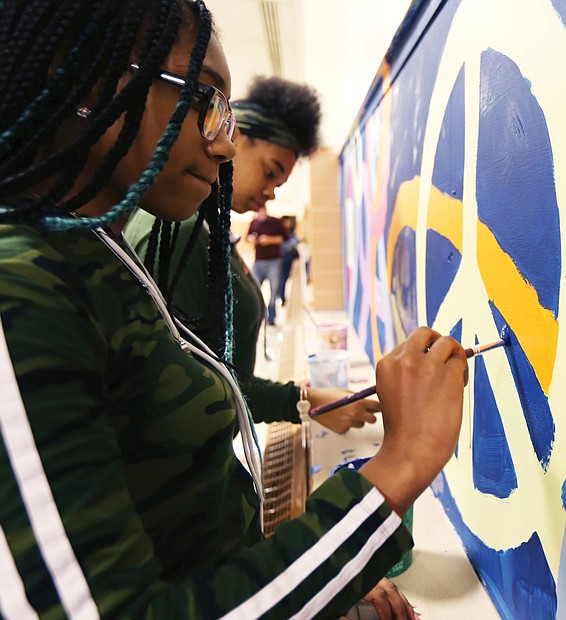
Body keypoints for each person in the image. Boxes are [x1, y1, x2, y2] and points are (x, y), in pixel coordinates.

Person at [0, 2, 468, 619]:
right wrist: (400, 465)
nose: (222, 141)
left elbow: (190, 424)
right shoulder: (25, 285)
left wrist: (322, 549)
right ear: (87, 81)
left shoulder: (95, 251)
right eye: (207, 101)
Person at [125, 74, 380, 435]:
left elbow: (215, 377)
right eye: (270, 172)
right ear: (235, 139)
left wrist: (307, 400)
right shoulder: (175, 235)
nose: (271, 193)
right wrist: (302, 402)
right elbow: (182, 391)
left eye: (279, 184)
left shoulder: (206, 229)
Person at [246, 204, 287, 325]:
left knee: (274, 290)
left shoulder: (276, 222)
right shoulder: (253, 223)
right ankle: (257, 315)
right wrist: (252, 239)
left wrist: (269, 240)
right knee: (253, 288)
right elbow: (247, 237)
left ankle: (272, 316)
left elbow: (283, 238)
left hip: (273, 262)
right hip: (258, 261)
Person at [278, 214, 301, 306]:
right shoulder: (282, 233)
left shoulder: (290, 232)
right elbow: (285, 247)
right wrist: (296, 241)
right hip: (285, 258)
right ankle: (282, 298)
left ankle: (283, 297)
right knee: (283, 278)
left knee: (285, 278)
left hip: (290, 258)